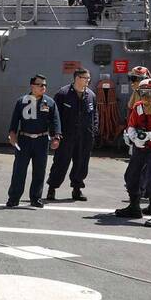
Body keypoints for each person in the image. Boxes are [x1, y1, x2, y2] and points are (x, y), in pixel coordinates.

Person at [115, 78, 151, 227]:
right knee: (131, 176)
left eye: (150, 93)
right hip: (140, 148)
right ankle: (134, 207)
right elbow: (131, 126)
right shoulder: (138, 107)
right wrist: (135, 138)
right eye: (143, 93)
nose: (146, 97)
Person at [6, 75, 62, 208]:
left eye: (45, 85)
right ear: (32, 86)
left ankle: (36, 198)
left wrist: (56, 137)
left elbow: (55, 121)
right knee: (19, 170)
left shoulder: (49, 102)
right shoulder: (22, 101)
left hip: (41, 140)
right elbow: (14, 120)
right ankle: (14, 198)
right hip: (24, 140)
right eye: (40, 85)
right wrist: (12, 134)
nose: (43, 87)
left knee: (39, 171)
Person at [46, 69, 95, 202]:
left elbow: (94, 115)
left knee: (81, 164)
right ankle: (52, 188)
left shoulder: (91, 95)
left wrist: (93, 131)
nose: (88, 80)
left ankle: (77, 189)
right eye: (86, 78)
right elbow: (55, 116)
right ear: (77, 78)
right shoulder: (63, 93)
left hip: (84, 137)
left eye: (89, 78)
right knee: (60, 163)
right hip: (66, 136)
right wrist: (56, 135)